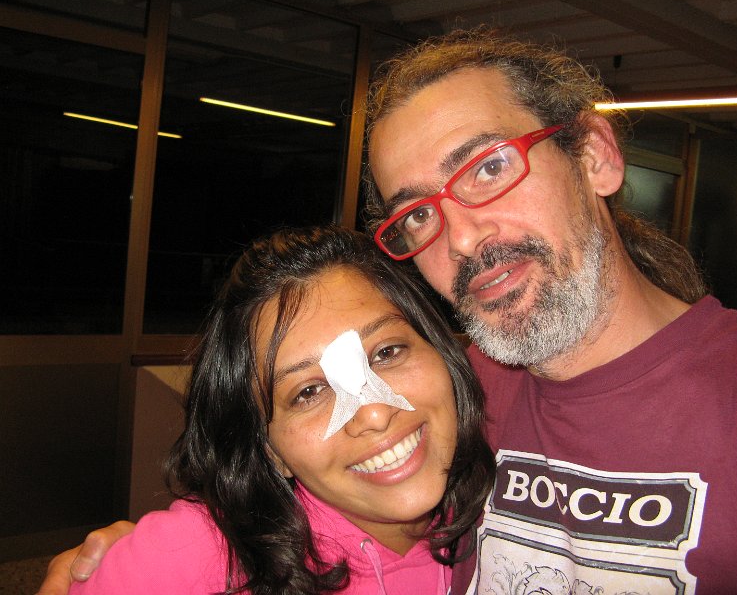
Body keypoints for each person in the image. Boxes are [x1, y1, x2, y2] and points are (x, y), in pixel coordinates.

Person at [39, 27, 737, 595]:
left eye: (488, 167)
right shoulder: (450, 395)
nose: (462, 237)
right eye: (418, 214)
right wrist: (146, 562)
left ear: (594, 155)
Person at [63, 224, 495, 594]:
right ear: (271, 451)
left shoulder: (504, 507)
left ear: (442, 353)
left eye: (386, 352)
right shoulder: (198, 554)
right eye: (308, 392)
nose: (374, 414)